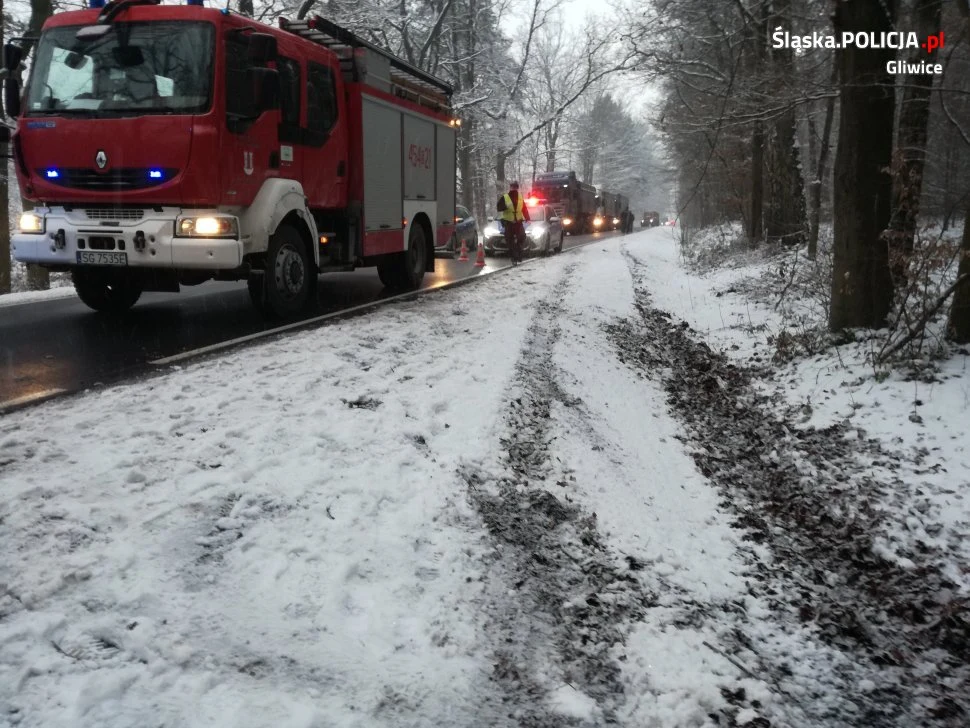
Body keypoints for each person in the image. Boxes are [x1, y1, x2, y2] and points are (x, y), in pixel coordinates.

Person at [497, 180, 530, 264]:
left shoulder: (520, 197)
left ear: (517, 188)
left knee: (522, 237)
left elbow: (524, 208)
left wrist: (527, 218)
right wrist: (505, 206)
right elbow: (499, 208)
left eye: (515, 187)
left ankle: (518, 254)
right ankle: (514, 258)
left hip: (518, 222)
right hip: (509, 223)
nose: (514, 188)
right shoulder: (505, 197)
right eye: (513, 187)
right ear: (510, 188)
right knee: (510, 241)